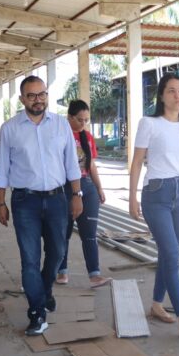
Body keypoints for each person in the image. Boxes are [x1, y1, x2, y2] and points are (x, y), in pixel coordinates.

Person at [0, 75, 83, 336]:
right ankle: (37, 312)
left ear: (47, 95)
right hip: (25, 202)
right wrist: (0, 202)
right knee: (30, 259)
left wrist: (77, 194)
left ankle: (44, 292)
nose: (38, 100)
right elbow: (1, 169)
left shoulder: (60, 125)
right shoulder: (10, 129)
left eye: (42, 94)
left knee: (57, 252)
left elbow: (71, 163)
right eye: (31, 95)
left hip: (57, 199)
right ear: (22, 99)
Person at [128, 75, 179, 337]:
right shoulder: (149, 123)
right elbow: (136, 163)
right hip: (156, 194)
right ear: (161, 96)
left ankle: (157, 304)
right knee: (172, 254)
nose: (178, 95)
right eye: (171, 91)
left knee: (169, 253)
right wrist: (132, 197)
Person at [56, 100, 111, 289]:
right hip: (65, 187)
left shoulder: (87, 136)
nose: (83, 124)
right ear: (69, 117)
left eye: (86, 120)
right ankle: (61, 270)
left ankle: (94, 274)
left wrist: (99, 188)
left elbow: (91, 165)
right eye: (80, 120)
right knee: (64, 232)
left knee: (89, 234)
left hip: (87, 187)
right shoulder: (59, 135)